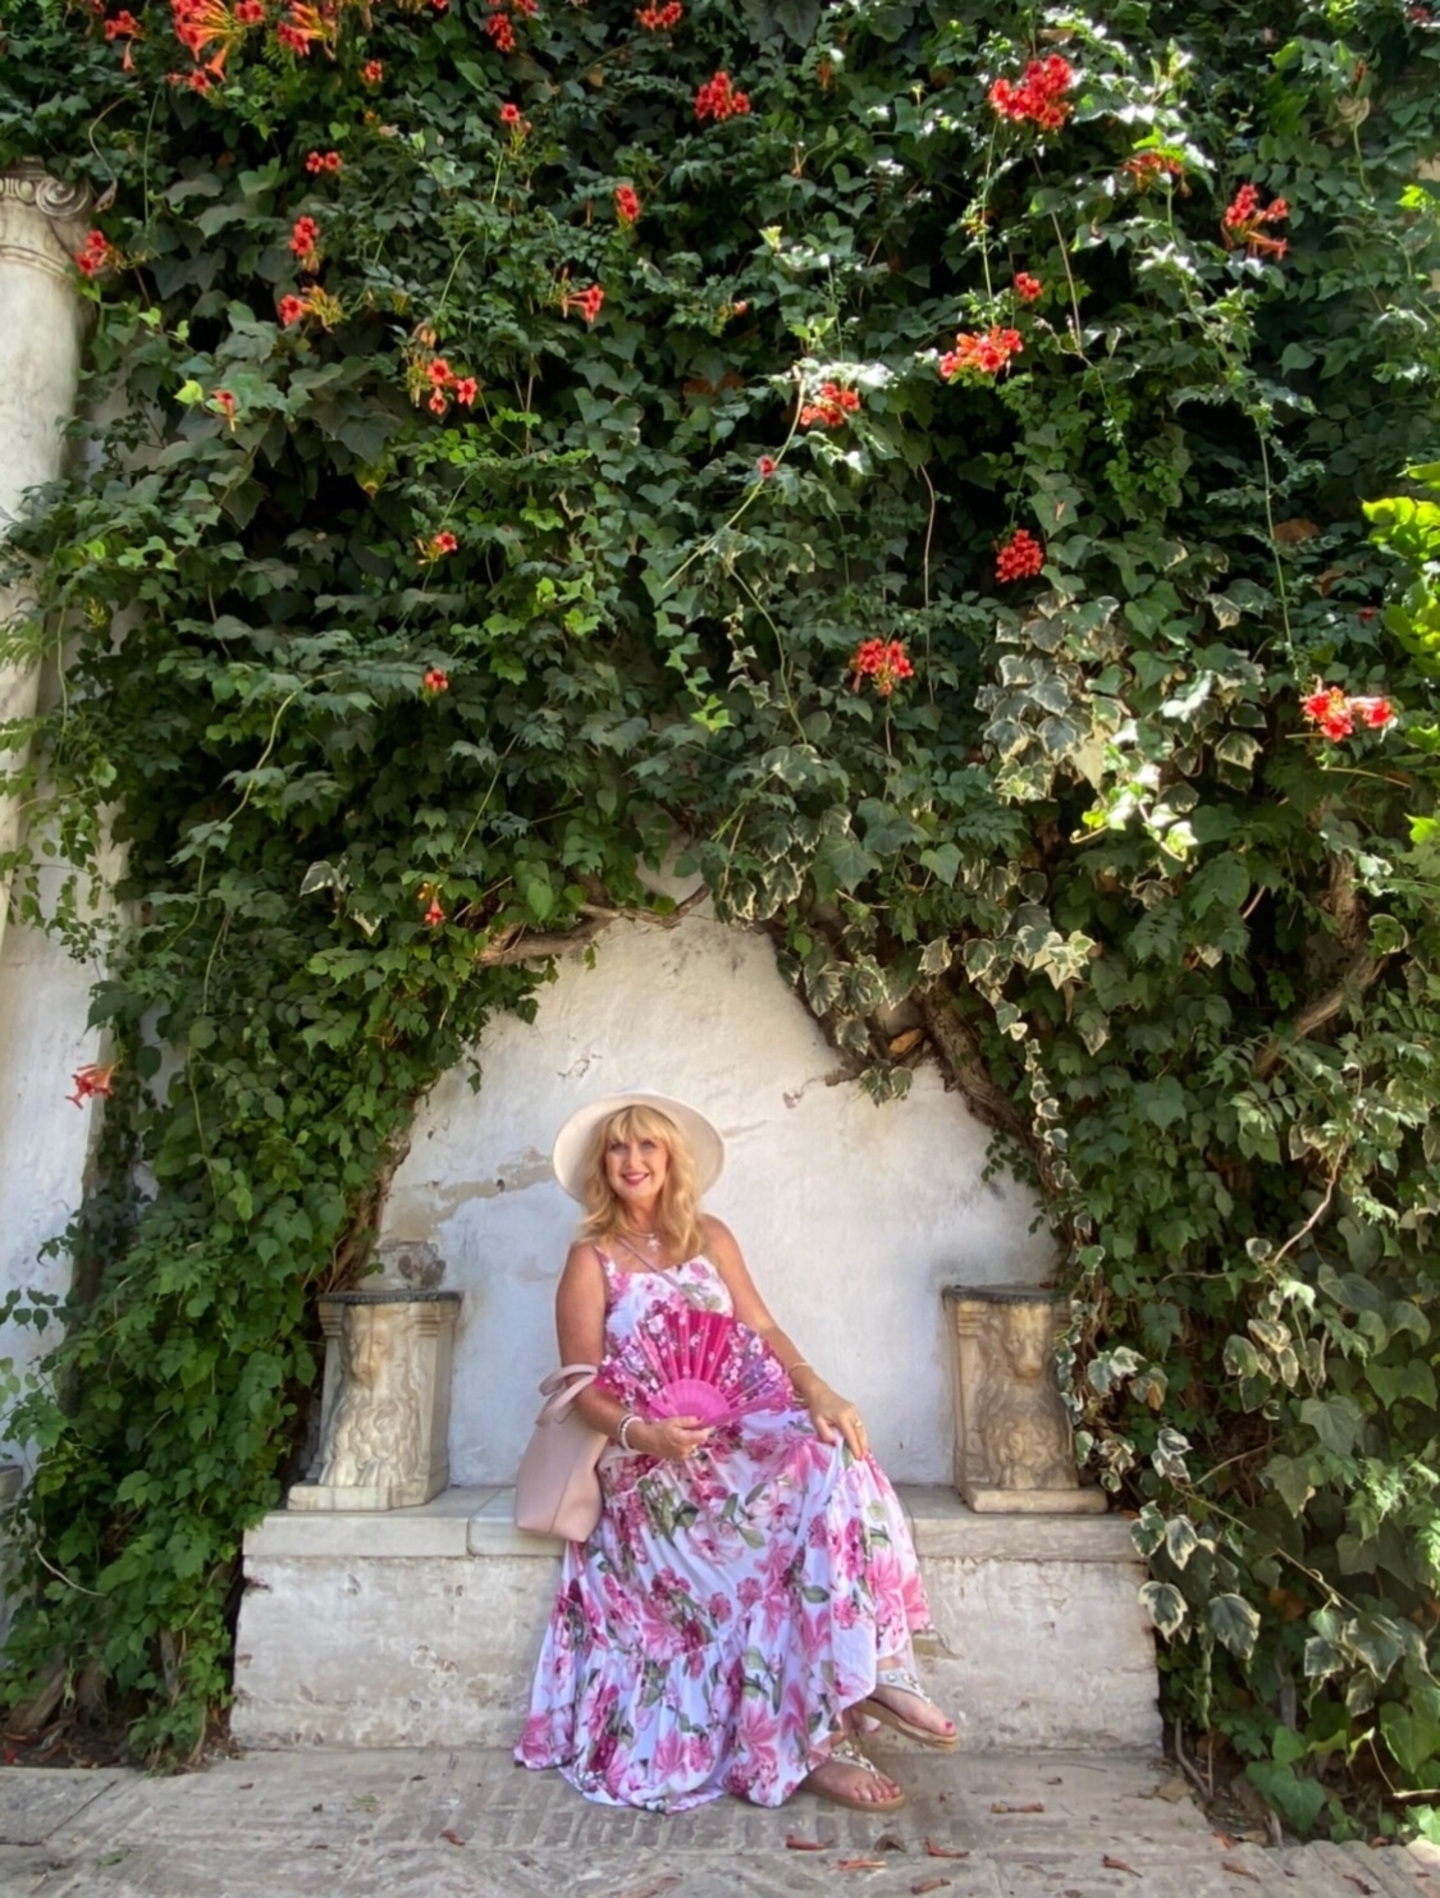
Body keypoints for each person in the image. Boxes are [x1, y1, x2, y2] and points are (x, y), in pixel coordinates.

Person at [514, 1089, 957, 1813]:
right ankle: (819, 1744)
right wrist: (645, 1434)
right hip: (647, 1466)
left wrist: (819, 1391)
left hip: (730, 1441)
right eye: (619, 1147)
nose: (633, 1160)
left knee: (834, 1455)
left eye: (648, 1146)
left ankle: (874, 1668)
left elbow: (764, 1329)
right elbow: (580, 1389)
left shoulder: (711, 1238)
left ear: (671, 1160)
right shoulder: (590, 1259)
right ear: (603, 1165)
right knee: (768, 1544)